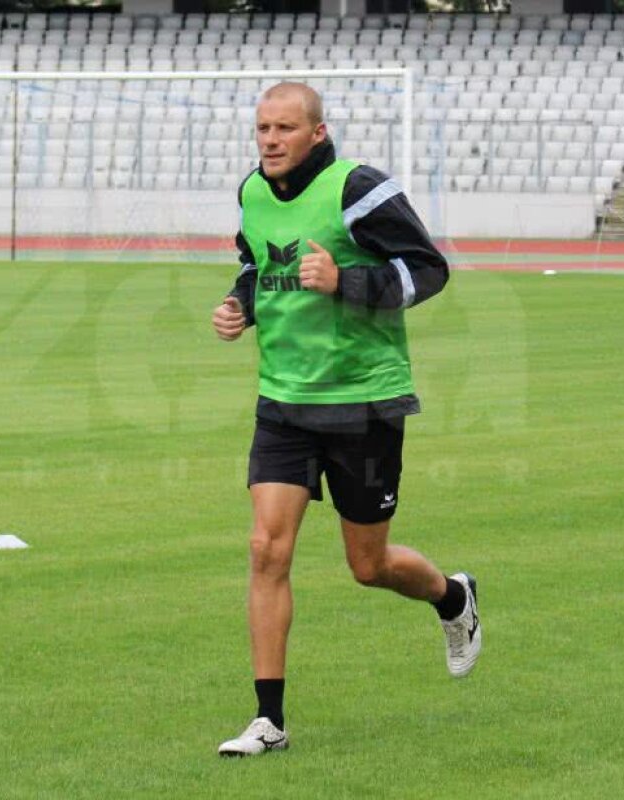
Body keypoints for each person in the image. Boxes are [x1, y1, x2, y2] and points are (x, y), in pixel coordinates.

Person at [211, 82, 479, 756]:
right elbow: (254, 263)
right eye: (263, 128)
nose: (270, 140)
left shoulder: (358, 189)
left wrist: (347, 282)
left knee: (368, 565)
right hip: (283, 403)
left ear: (317, 133)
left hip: (364, 404)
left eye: (285, 129)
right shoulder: (250, 192)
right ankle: (268, 720)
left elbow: (429, 270)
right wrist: (237, 305)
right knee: (266, 550)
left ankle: (451, 597)